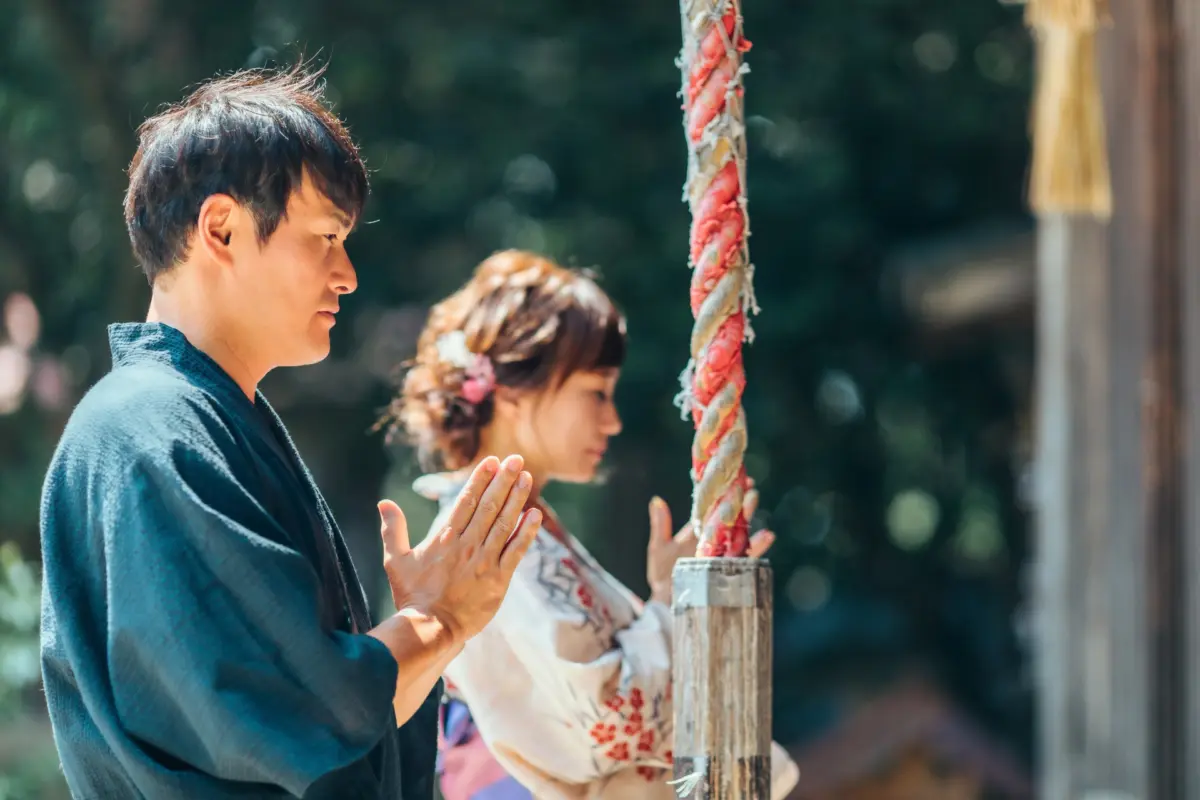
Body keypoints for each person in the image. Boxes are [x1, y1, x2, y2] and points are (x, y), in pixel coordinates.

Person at [37, 65, 543, 800]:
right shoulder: (149, 430)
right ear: (222, 228)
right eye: (326, 236)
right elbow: (298, 712)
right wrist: (439, 621)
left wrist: (424, 631)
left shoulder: (191, 418)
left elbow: (326, 715)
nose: (347, 275)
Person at [386, 250, 800, 799]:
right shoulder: (490, 536)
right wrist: (672, 603)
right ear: (514, 388)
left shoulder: (516, 524)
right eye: (595, 392)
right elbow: (615, 726)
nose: (612, 420)